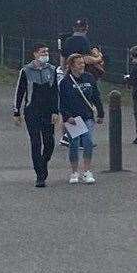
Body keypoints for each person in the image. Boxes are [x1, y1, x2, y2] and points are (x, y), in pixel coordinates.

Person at [12, 44, 61, 187]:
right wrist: (16, 112)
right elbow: (19, 92)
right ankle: (39, 174)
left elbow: (55, 93)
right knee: (35, 142)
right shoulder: (26, 71)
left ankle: (43, 162)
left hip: (47, 111)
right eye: (42, 52)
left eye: (47, 51)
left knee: (49, 142)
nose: (45, 54)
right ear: (35, 54)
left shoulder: (52, 70)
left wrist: (55, 111)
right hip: (32, 110)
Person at [58, 54, 101, 184]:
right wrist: (67, 116)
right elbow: (62, 102)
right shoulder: (65, 82)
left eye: (83, 63)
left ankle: (87, 171)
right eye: (79, 63)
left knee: (88, 141)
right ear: (71, 66)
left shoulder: (89, 78)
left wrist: (101, 112)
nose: (82, 65)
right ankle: (74, 171)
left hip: (87, 115)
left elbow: (96, 96)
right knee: (75, 143)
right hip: (74, 117)